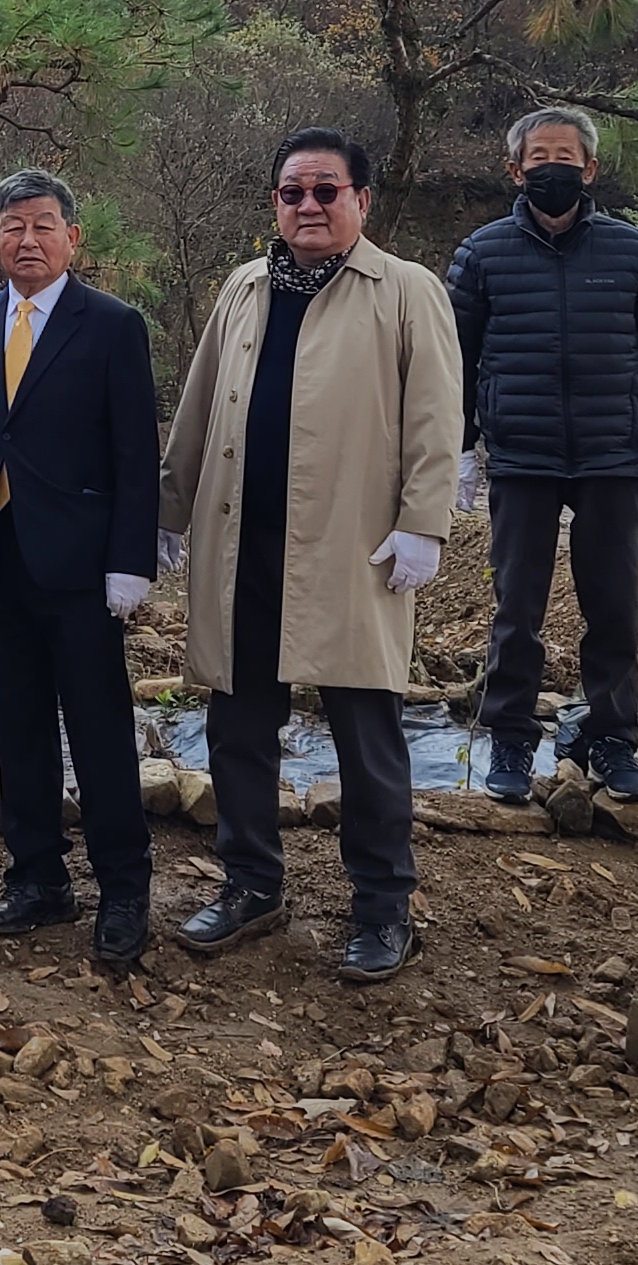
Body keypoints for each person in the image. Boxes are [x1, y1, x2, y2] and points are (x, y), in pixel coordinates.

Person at [158, 127, 464, 983]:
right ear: (275, 203)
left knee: (367, 736)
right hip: (241, 546)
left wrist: (424, 522)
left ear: (360, 199)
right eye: (293, 193)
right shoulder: (245, 287)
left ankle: (383, 905)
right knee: (239, 727)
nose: (309, 206)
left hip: (350, 550)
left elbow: (438, 417)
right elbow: (198, 405)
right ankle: (251, 884)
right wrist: (168, 509)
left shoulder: (405, 290)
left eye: (327, 191)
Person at [0, 169, 163, 970]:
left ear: (72, 238)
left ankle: (123, 887)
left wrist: (130, 562)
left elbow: (136, 453)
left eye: (44, 226)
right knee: (18, 726)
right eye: (14, 227)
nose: (29, 240)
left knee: (99, 730)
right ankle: (36, 878)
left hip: (82, 564)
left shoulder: (113, 325)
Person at [449, 105, 638, 806]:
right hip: (520, 458)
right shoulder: (482, 254)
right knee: (515, 609)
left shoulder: (631, 252)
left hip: (611, 457)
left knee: (614, 608)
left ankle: (612, 739)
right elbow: (451, 360)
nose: (551, 168)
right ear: (515, 169)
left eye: (565, 157)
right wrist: (457, 446)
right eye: (539, 157)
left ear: (589, 169)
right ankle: (510, 738)